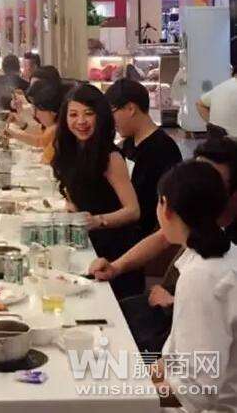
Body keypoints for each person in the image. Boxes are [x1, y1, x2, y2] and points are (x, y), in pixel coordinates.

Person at [89, 137, 237, 353]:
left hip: (190, 324)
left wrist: (176, 302)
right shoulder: (200, 224)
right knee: (104, 320)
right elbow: (162, 237)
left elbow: (202, 367)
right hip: (177, 313)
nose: (197, 187)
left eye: (210, 182)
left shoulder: (203, 273)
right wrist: (116, 267)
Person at [150, 161, 237, 411]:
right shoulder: (224, 255)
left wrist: (127, 394)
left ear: (165, 207)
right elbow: (174, 358)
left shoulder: (202, 277)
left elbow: (197, 391)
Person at [51, 84, 143, 298]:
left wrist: (98, 220)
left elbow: (133, 211)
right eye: (73, 114)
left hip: (113, 252)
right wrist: (71, 208)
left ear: (100, 117)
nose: (81, 121)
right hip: (86, 244)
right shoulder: (72, 150)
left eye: (88, 114)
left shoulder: (110, 157)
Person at [106, 79, 182, 239]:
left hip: (145, 238)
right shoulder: (128, 144)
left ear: (130, 109)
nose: (111, 121)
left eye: (112, 112)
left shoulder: (163, 150)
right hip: (125, 229)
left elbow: (170, 208)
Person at [6, 79, 67, 165]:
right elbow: (38, 133)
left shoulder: (56, 129)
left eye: (38, 109)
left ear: (52, 111)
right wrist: (22, 125)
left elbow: (39, 141)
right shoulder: (51, 126)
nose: (36, 114)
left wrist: (13, 133)